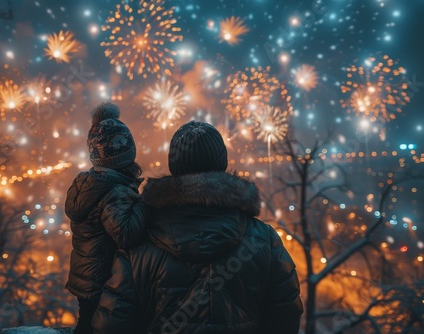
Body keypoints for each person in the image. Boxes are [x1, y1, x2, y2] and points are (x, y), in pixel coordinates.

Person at [93, 121, 303, 334]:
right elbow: (285, 316)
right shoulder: (264, 240)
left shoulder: (138, 244)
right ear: (222, 163)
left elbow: (113, 323)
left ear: (175, 166)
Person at [65, 102, 149, 334]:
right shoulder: (115, 192)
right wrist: (146, 203)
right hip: (105, 281)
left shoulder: (89, 184)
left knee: (86, 324)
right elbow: (126, 232)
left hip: (86, 278)